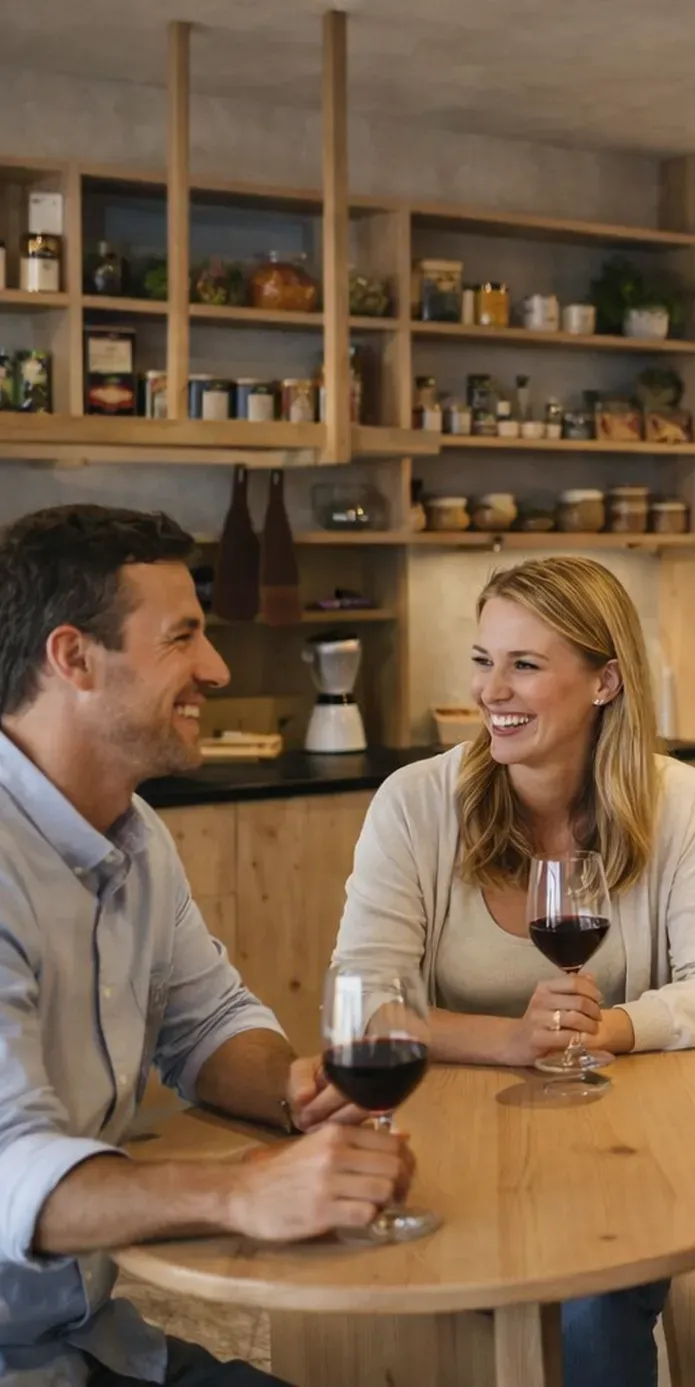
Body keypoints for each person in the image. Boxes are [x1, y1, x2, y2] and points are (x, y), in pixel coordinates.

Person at [0, 505, 411, 1387]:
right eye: (182, 638)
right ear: (73, 657)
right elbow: (9, 1167)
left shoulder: (135, 835)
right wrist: (240, 1190)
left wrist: (296, 1090)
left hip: (94, 1340)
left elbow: (210, 1021)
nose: (216, 668)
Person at [331, 555, 695, 1387]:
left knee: (597, 1300)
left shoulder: (678, 803)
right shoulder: (416, 804)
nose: (493, 689)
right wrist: (509, 1040)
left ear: (604, 681)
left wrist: (612, 1027)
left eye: (525, 664)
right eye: (484, 661)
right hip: (454, 1148)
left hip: (625, 1149)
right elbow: (364, 1007)